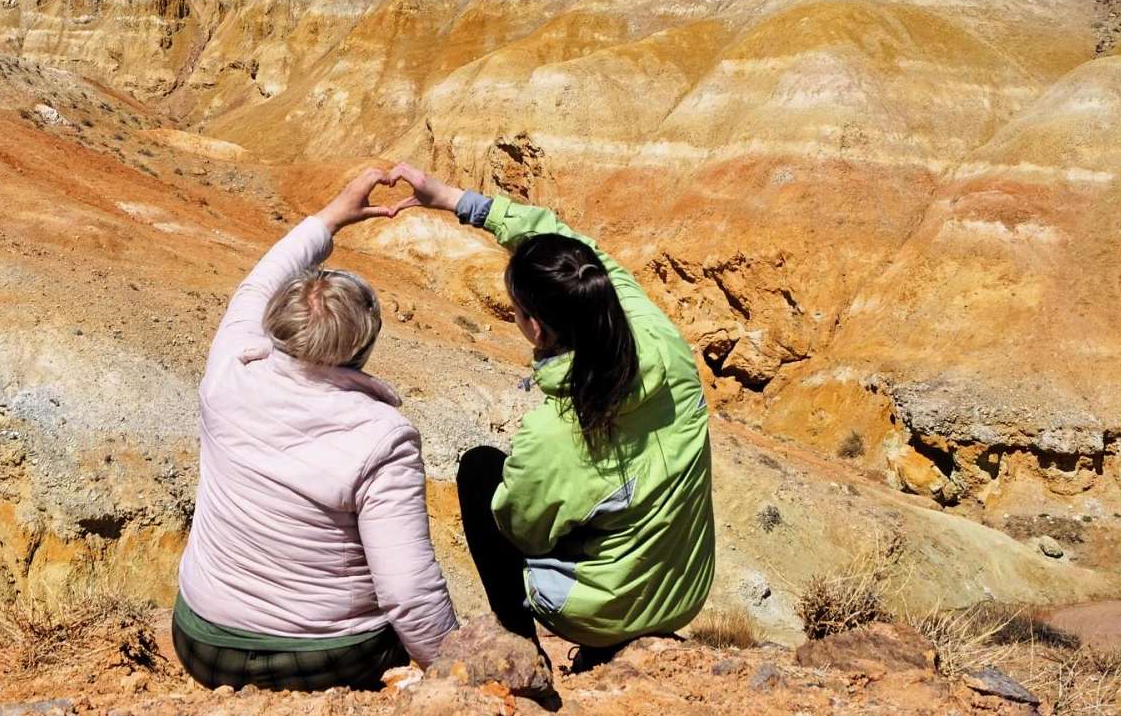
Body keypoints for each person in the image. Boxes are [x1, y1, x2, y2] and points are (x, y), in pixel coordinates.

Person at [391, 163, 715, 670]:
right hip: (684, 593)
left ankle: (523, 651)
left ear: (536, 329)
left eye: (516, 311)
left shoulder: (555, 433)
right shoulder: (664, 343)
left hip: (602, 615)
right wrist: (456, 199)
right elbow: (575, 249)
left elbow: (521, 533)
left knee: (481, 472)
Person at [174, 166, 456, 692]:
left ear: (275, 323)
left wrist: (332, 216)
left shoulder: (230, 368)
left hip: (201, 643)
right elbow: (408, 591)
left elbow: (260, 280)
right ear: (362, 347)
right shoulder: (382, 436)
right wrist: (457, 674)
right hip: (329, 656)